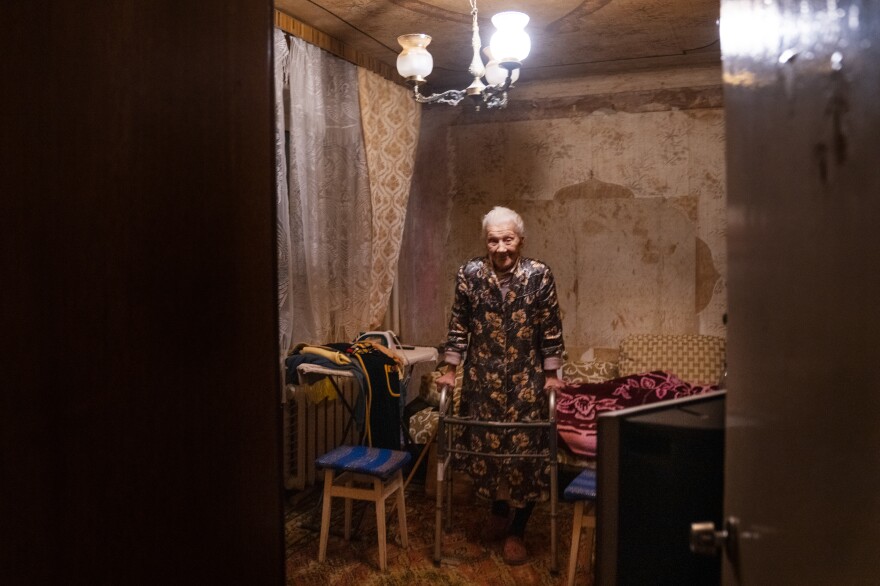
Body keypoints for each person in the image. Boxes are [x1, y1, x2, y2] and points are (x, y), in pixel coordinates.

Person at [435, 206, 565, 565]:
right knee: (489, 452)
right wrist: (450, 369)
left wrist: (552, 375)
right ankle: (497, 511)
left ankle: (517, 530)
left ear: (520, 240)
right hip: (483, 380)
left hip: (526, 380)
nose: (501, 247)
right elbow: (459, 325)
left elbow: (550, 327)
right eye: (493, 240)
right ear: (485, 242)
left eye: (508, 239)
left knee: (525, 458)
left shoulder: (539, 275)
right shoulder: (470, 274)